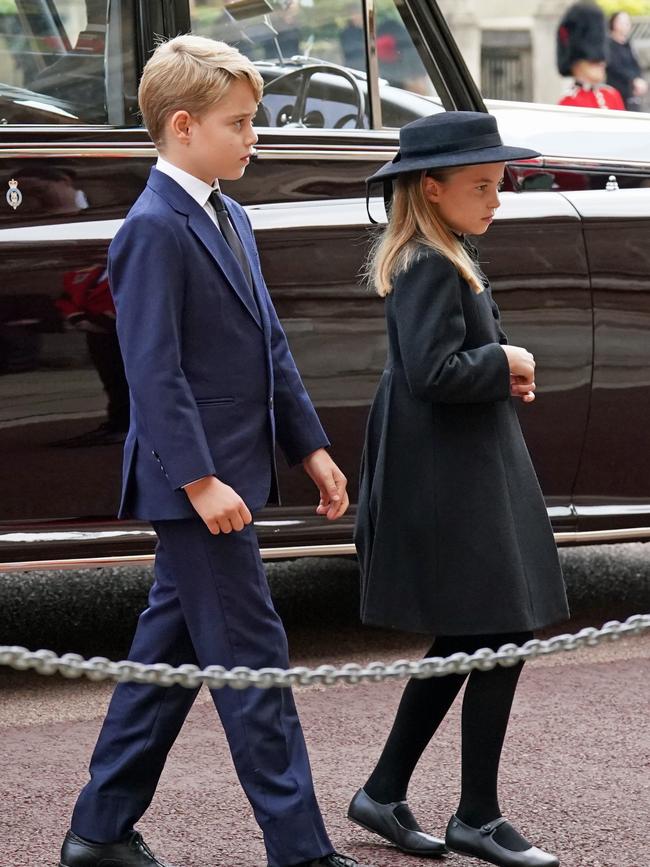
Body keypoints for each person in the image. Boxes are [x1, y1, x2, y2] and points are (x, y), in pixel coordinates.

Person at [59, 34, 362, 867]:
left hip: (229, 476)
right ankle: (300, 850)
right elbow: (152, 375)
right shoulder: (152, 228)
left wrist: (311, 446)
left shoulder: (230, 213)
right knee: (254, 662)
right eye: (241, 122)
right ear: (184, 126)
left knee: (170, 654)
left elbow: (269, 345)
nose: (254, 135)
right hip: (197, 488)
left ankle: (99, 830)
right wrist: (198, 480)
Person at [348, 111, 569, 867]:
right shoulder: (428, 262)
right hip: (449, 477)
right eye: (482, 186)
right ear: (431, 189)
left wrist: (503, 367)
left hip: (465, 464)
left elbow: (448, 366)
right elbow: (431, 372)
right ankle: (474, 812)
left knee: (484, 634)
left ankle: (390, 790)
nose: (496, 198)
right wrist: (505, 357)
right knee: (494, 628)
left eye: (497, 183)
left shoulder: (446, 250)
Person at [557, 2, 625, 110]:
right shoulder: (568, 102)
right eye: (594, 61)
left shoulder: (612, 95)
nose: (601, 62)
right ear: (576, 63)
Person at [607, 10, 648, 111]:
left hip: (632, 94)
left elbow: (636, 65)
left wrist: (639, 80)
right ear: (613, 23)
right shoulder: (608, 45)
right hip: (617, 93)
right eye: (622, 21)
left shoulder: (628, 45)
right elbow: (615, 67)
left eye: (627, 22)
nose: (626, 25)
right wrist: (633, 80)